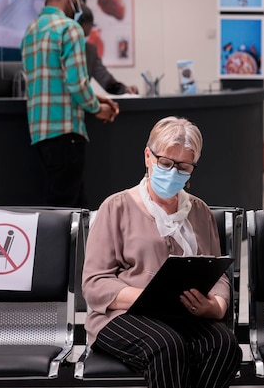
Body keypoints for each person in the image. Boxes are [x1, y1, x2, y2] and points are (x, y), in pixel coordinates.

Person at [82, 116, 242, 388]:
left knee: (225, 345)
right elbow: (94, 283)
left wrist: (216, 306)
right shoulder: (116, 207)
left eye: (183, 167)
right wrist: (149, 297)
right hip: (121, 317)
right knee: (167, 345)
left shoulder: (200, 212)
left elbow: (219, 275)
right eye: (166, 163)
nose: (173, 172)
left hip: (181, 315)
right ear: (148, 156)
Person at [21, 0, 119, 207]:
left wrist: (96, 97)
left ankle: (84, 245)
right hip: (66, 131)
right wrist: (97, 108)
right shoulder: (69, 27)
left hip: (40, 133)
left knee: (73, 204)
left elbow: (54, 83)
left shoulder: (30, 32)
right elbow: (76, 83)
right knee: (64, 209)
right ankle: (54, 245)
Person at [78, 5, 138, 95]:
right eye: (82, 34)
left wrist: (125, 89)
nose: (84, 38)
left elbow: (106, 80)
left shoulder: (90, 52)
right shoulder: (59, 47)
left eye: (86, 35)